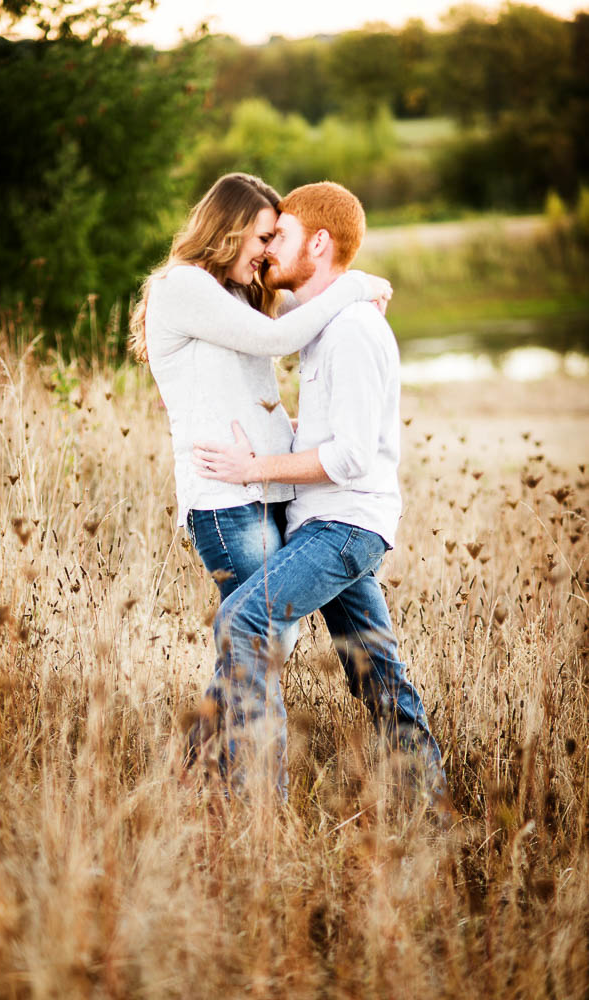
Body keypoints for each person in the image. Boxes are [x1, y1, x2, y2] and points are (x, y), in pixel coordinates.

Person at [193, 181, 447, 804]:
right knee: (378, 677)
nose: (268, 249)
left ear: (321, 242)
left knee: (243, 618)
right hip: (330, 527)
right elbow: (335, 432)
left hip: (344, 530)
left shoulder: (354, 329)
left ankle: (258, 803)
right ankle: (431, 809)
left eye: (280, 235)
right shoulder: (325, 328)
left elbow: (353, 456)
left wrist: (255, 466)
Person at [129, 172, 391, 608]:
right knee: (262, 631)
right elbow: (279, 338)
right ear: (230, 229)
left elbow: (311, 304)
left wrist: (352, 300)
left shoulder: (236, 290)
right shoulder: (183, 285)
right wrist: (355, 286)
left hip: (268, 490)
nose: (268, 251)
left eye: (276, 239)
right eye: (264, 237)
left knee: (269, 636)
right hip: (228, 498)